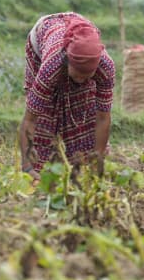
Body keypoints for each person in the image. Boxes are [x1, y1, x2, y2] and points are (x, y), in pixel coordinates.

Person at [19, 12, 115, 178]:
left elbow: (102, 117)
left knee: (83, 107)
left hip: (78, 36)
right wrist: (27, 166)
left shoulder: (105, 67)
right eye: (78, 74)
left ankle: (81, 162)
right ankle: (41, 166)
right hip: (42, 41)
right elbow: (30, 119)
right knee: (46, 113)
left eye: (87, 76)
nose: (81, 79)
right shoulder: (51, 66)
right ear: (68, 62)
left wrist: (97, 162)